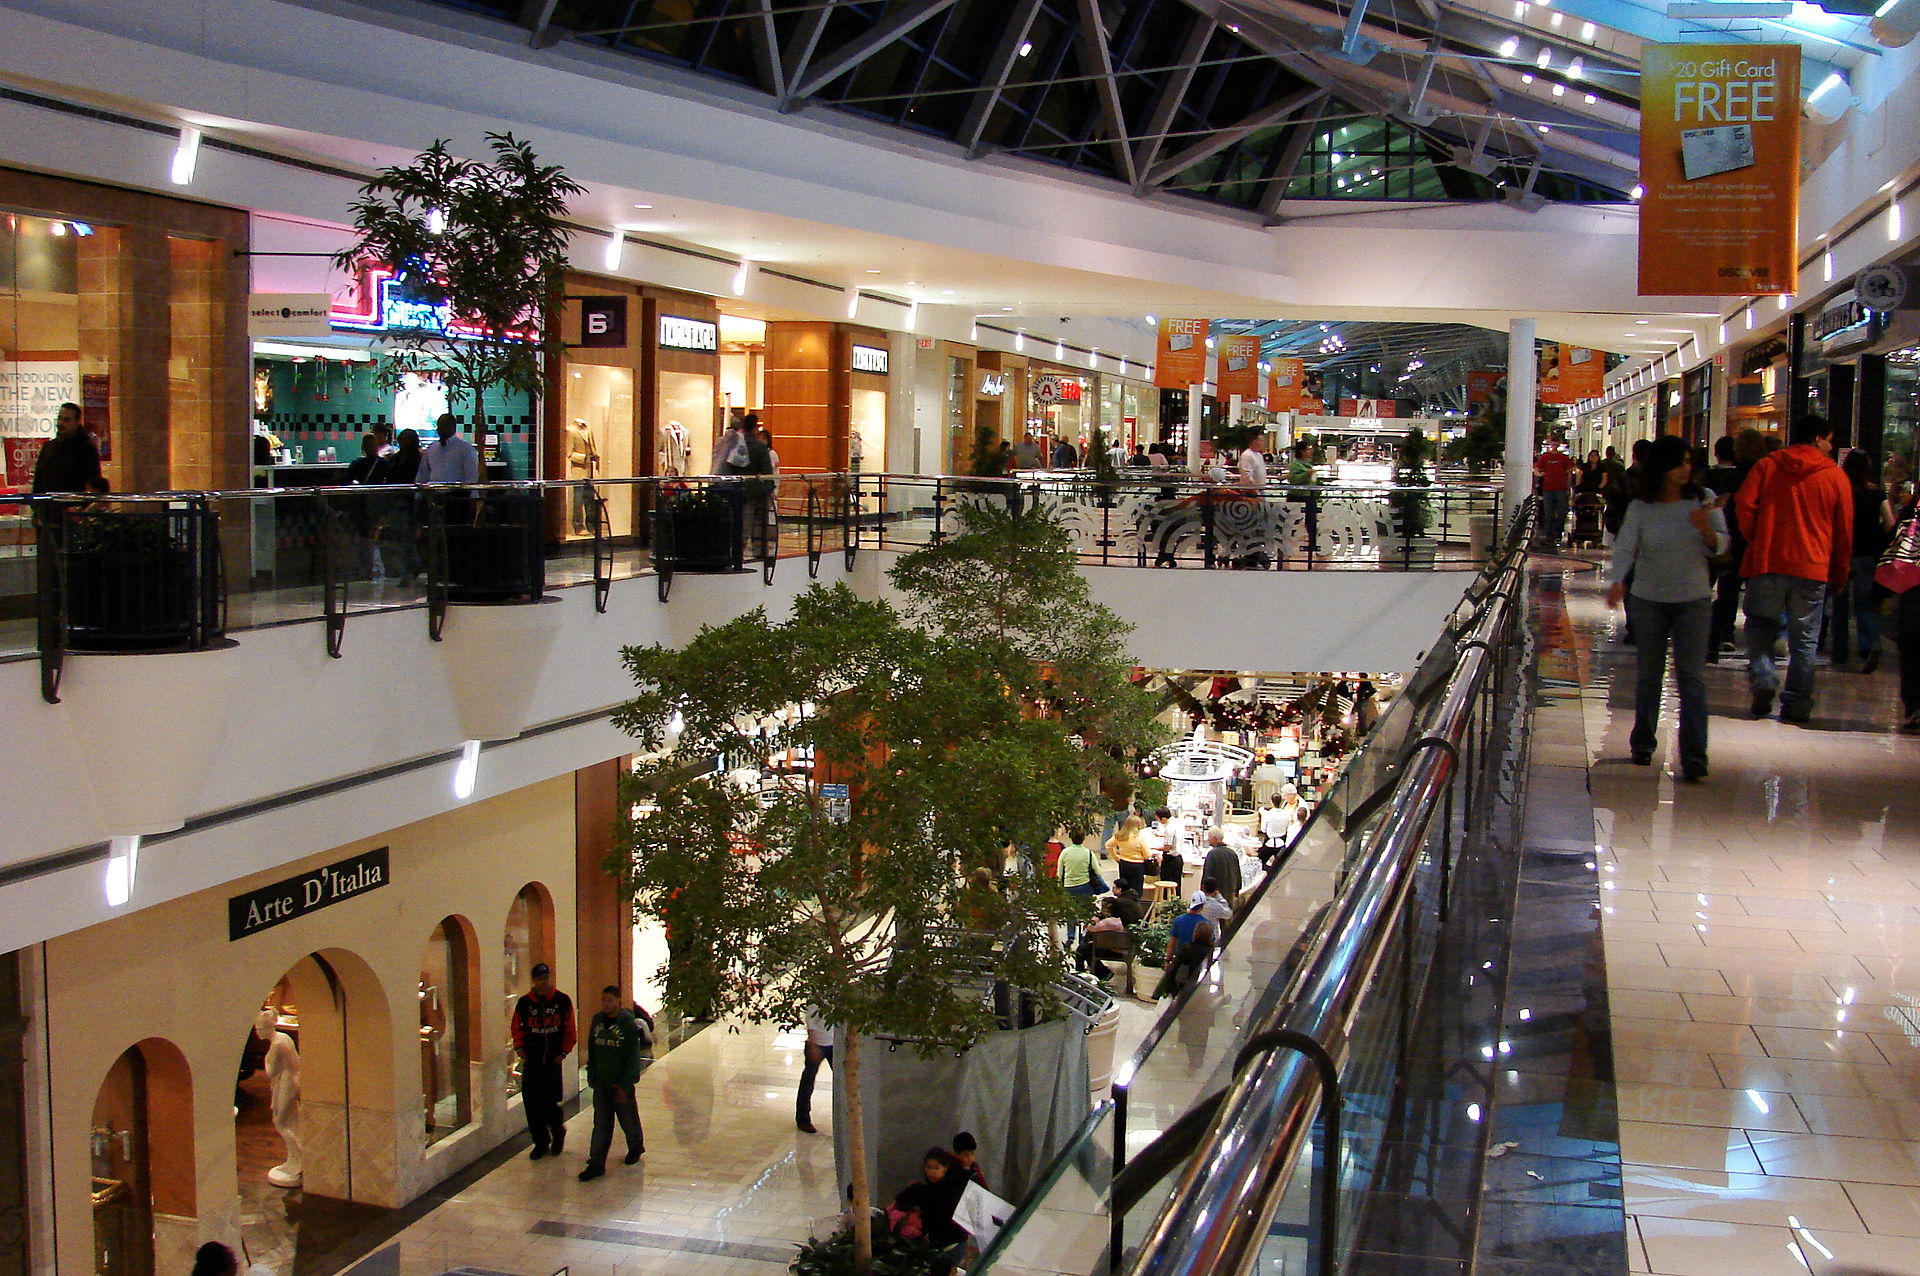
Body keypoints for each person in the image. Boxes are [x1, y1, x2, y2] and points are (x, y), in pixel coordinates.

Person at [1605, 435, 1727, 780]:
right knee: (1649, 675)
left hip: (1693, 600)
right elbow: (1626, 545)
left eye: (1688, 462)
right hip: (1649, 599)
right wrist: (1618, 580)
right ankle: (1643, 742)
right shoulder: (1643, 506)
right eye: (1678, 463)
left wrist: (1707, 531)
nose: (1685, 469)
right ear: (1661, 467)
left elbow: (1723, 545)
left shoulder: (1704, 501)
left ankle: (1694, 754)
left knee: (1692, 678)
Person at [1734, 415, 1853, 723]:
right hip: (1813, 567)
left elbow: (1744, 504)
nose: (1831, 447)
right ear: (1818, 439)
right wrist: (1839, 573)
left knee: (1760, 626)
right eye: (1829, 440)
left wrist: (1758, 538)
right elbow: (1843, 531)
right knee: (1805, 639)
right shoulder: (1834, 476)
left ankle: (1764, 676)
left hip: (1768, 561)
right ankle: (1797, 701)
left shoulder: (1767, 466)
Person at [1832, 450, 1892, 672]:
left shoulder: (1841, 491)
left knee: (1839, 605)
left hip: (1842, 552)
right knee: (1865, 604)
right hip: (1867, 555)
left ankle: (1839, 654)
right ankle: (1870, 644)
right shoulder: (1877, 494)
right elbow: (1890, 523)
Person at [579, 985, 646, 1181]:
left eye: (610, 1000)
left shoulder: (627, 1024)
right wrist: (592, 1072)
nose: (606, 1004)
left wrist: (625, 1084)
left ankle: (636, 1146)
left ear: (618, 1001)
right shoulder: (597, 1021)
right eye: (604, 1000)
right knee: (601, 1123)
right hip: (602, 1082)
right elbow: (592, 1048)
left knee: (628, 1118)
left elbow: (632, 1056)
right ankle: (597, 1162)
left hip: (620, 1083)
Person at [511, 961, 576, 1161]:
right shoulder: (524, 1003)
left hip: (552, 1062)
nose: (543, 982)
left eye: (546, 978)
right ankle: (540, 1142)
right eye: (540, 979)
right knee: (532, 1104)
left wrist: (563, 1052)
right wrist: (520, 1049)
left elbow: (570, 1029)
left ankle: (557, 1132)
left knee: (550, 1103)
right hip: (532, 1062)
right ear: (534, 980)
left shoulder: (562, 1001)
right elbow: (516, 1027)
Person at [888, 1148, 970, 1259]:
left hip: (953, 1244)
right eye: (929, 1168)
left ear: (945, 1168)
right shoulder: (923, 1190)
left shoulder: (953, 1189)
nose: (932, 1172)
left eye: (936, 1168)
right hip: (935, 1244)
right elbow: (901, 1201)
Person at [30, 401, 103, 494]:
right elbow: (38, 480)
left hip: (74, 501)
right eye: (59, 418)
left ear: (77, 422)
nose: (60, 423)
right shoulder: (49, 447)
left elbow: (93, 485)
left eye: (66, 420)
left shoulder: (87, 450)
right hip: (47, 501)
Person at [1156, 898, 1216, 998]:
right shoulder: (1210, 949)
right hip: (1202, 983)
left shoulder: (1179, 922)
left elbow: (1172, 945)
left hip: (1185, 982)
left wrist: (1167, 960)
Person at [796, 1006, 833, 1134]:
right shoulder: (817, 999)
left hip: (835, 1044)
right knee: (808, 1082)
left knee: (844, 1082)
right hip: (817, 1043)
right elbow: (810, 1020)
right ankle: (803, 1119)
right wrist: (812, 1044)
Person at [1534, 440, 1575, 548]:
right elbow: (1536, 470)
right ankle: (1550, 536)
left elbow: (1569, 473)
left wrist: (1568, 486)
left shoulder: (1564, 458)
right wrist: (1541, 474)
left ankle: (1558, 533)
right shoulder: (1545, 457)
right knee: (1549, 514)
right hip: (1548, 488)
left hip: (1561, 488)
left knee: (1561, 513)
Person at [418, 413, 480, 484]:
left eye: (445, 426)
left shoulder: (465, 449)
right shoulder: (431, 449)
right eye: (440, 426)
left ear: (453, 428)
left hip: (457, 490)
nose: (441, 429)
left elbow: (471, 476)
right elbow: (422, 476)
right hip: (434, 489)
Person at [1288, 438, 1319, 558]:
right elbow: (1293, 479)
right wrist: (1307, 474)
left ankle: (1313, 545)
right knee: (1292, 523)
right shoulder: (1296, 465)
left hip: (1309, 496)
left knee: (1311, 522)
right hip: (1298, 496)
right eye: (1308, 449)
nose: (1310, 451)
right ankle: (1286, 545)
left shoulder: (1308, 464)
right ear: (1302, 451)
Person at [1105, 813, 1150, 894]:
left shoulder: (1120, 836)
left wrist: (1116, 856)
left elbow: (1108, 845)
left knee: (1124, 887)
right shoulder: (1139, 838)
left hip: (1123, 863)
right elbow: (1147, 855)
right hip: (1137, 865)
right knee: (1136, 889)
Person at [1200, 828, 1242, 903]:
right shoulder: (1232, 853)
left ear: (1214, 838)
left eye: (1209, 837)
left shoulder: (1212, 854)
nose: (1208, 839)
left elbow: (1207, 875)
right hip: (1230, 893)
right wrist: (1237, 889)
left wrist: (1203, 891)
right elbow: (1238, 873)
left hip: (1215, 894)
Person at [1259, 790, 1295, 867]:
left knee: (1260, 862)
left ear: (1271, 802)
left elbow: (1263, 829)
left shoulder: (1267, 815)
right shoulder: (1287, 815)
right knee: (1281, 865)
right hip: (1281, 843)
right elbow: (1288, 828)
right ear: (1281, 802)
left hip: (1269, 843)